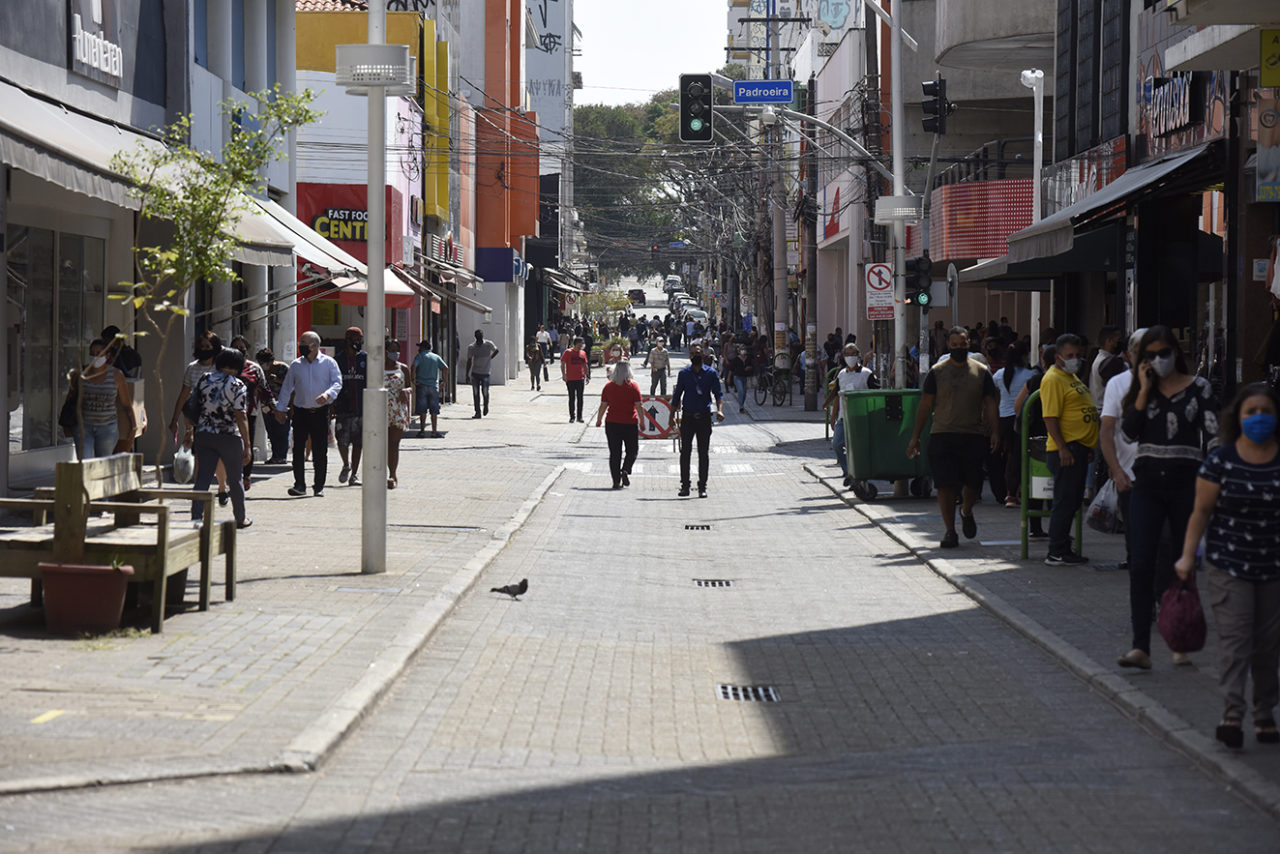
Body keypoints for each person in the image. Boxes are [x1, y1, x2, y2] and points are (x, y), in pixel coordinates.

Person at [1175, 383, 1280, 748]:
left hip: (1273, 568)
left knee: (1268, 645)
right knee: (1236, 641)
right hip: (1229, 565)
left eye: (1266, 411)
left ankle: (1264, 711)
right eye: (1251, 412)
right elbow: (1200, 513)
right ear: (1237, 418)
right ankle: (1232, 714)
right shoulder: (1221, 461)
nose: (1259, 419)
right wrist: (1188, 557)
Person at [1117, 326, 1219, 669]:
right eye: (1151, 355)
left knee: (1180, 561)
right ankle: (1140, 647)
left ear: (1175, 352)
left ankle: (1179, 641)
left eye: (1164, 353)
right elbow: (1129, 433)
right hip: (1147, 483)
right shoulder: (1141, 391)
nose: (1159, 360)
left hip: (1186, 483)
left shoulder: (1199, 388)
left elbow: (1214, 431)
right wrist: (1144, 392)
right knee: (1141, 562)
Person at [907, 327, 999, 548]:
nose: (959, 348)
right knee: (945, 486)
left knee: (974, 484)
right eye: (955, 345)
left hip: (973, 435)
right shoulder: (937, 372)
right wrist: (915, 437)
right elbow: (925, 405)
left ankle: (966, 511)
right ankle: (949, 531)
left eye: (963, 344)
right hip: (942, 435)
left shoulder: (981, 371)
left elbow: (990, 403)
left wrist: (995, 431)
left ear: (969, 344)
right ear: (948, 345)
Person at [1040, 333, 1099, 566]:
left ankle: (1063, 544)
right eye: (1070, 355)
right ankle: (1056, 551)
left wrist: (1088, 445)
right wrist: (1063, 448)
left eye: (1078, 355)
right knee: (1064, 501)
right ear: (1058, 357)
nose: (1075, 359)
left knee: (1072, 501)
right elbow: (1050, 417)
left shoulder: (1071, 376)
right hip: (1066, 450)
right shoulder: (1053, 379)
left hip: (1080, 448)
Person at [185, 347, 253, 529]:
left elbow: (192, 406)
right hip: (229, 436)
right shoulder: (238, 385)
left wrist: (189, 430)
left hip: (204, 434)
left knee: (203, 478)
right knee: (235, 479)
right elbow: (241, 416)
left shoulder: (204, 379)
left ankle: (196, 517)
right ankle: (240, 518)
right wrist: (247, 444)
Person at [1099, 329, 1147, 572]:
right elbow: (1107, 429)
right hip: (1129, 471)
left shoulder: (1179, 384)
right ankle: (1135, 560)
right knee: (1133, 525)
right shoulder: (1118, 384)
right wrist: (1115, 467)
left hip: (1167, 475)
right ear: (1129, 355)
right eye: (1142, 351)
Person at [275, 330, 342, 497]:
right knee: (298, 449)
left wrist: (328, 395)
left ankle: (318, 486)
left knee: (320, 450)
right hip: (300, 412)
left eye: (303, 344)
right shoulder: (296, 365)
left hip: (320, 412)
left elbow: (337, 383)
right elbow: (286, 388)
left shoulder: (329, 363)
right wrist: (280, 409)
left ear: (314, 346)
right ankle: (299, 484)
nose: (300, 347)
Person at [171, 331, 229, 504]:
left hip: (219, 418)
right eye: (202, 346)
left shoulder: (221, 368)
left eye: (208, 347)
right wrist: (175, 419)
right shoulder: (192, 368)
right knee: (199, 455)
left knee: (218, 455)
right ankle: (199, 491)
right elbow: (184, 395)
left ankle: (221, 488)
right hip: (199, 419)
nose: (204, 350)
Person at [671, 343, 725, 498]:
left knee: (703, 453)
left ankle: (702, 487)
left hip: (704, 418)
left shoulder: (711, 373)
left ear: (703, 355)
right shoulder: (684, 374)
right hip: (687, 417)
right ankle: (685, 486)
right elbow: (677, 396)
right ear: (689, 355)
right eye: (692, 353)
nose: (695, 355)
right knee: (685, 452)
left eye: (698, 353)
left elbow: (718, 395)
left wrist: (720, 410)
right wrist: (671, 417)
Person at [228, 336, 277, 493]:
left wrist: (274, 408)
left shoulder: (255, 369)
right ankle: (233, 478)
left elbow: (265, 389)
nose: (240, 350)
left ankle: (246, 476)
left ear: (247, 351)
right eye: (236, 347)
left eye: (242, 347)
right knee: (231, 447)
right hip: (228, 415)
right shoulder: (225, 368)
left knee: (246, 445)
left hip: (249, 412)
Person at [74, 338, 136, 460]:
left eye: (98, 353)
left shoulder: (116, 375)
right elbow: (73, 399)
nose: (94, 357)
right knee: (84, 463)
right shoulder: (82, 374)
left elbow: (126, 404)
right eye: (92, 353)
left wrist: (133, 426)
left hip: (107, 429)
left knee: (102, 463)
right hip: (84, 427)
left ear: (107, 355)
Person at [991, 341, 1034, 507]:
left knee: (1003, 457)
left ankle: (1005, 492)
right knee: (1017, 456)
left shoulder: (999, 374)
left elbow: (994, 396)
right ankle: (1012, 493)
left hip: (1002, 419)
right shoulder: (1029, 375)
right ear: (1024, 356)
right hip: (1020, 420)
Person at [830, 344, 878, 485]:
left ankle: (857, 476)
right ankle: (848, 472)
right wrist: (833, 416)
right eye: (847, 354)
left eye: (853, 354)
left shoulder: (867, 374)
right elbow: (837, 396)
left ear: (858, 355)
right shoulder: (841, 375)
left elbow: (875, 394)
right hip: (843, 417)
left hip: (861, 417)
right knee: (837, 444)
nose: (850, 357)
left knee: (858, 448)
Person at [594, 360, 645, 489]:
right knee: (632, 450)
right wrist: (642, 421)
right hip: (630, 423)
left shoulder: (608, 386)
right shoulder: (633, 386)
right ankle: (626, 470)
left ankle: (616, 481)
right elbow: (639, 406)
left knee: (615, 453)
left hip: (612, 423)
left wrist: (599, 419)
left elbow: (603, 405)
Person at [333, 327, 367, 487]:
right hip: (343, 407)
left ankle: (354, 474)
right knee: (342, 441)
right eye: (356, 339)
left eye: (360, 339)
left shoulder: (366, 359)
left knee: (358, 442)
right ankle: (346, 464)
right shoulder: (338, 359)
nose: (358, 343)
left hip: (361, 408)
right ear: (348, 340)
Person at [384, 338, 410, 489]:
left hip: (397, 410)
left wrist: (405, 392)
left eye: (396, 350)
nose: (395, 353)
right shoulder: (377, 368)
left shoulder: (403, 368)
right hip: (381, 409)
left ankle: (392, 474)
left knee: (394, 443)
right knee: (381, 444)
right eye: (391, 350)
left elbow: (410, 386)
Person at [257, 348, 290, 463]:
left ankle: (282, 456)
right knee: (271, 431)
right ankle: (275, 455)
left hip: (282, 404)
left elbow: (292, 384)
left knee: (282, 430)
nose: (263, 365)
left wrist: (277, 380)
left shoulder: (283, 368)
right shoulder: (260, 371)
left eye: (265, 363)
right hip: (267, 405)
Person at [410, 340, 449, 437]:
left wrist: (413, 379)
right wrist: (444, 381)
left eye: (420, 347)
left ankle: (422, 431)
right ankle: (434, 431)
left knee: (422, 410)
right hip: (433, 386)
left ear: (423, 347)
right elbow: (446, 368)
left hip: (421, 385)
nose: (419, 349)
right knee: (434, 410)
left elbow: (414, 366)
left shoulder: (420, 356)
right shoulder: (436, 357)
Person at [464, 330, 499, 419]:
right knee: (476, 393)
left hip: (486, 373)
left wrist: (490, 357)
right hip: (475, 373)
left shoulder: (488, 344)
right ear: (475, 337)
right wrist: (467, 374)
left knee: (485, 392)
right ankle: (477, 412)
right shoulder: (472, 347)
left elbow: (496, 350)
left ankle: (486, 405)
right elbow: (469, 360)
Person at [561, 336, 591, 422]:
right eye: (581, 343)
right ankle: (572, 416)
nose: (582, 344)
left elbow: (585, 365)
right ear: (577, 343)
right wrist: (563, 375)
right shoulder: (568, 352)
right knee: (571, 398)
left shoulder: (583, 353)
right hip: (570, 378)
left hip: (580, 378)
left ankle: (579, 416)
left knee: (580, 398)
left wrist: (587, 376)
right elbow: (562, 364)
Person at [726, 345, 754, 413]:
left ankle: (742, 404)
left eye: (744, 349)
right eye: (742, 349)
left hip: (745, 377)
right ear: (739, 351)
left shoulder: (748, 358)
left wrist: (749, 368)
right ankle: (741, 407)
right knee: (740, 391)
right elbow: (731, 369)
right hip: (737, 377)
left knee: (744, 392)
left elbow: (752, 366)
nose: (743, 351)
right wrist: (729, 378)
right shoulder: (736, 359)